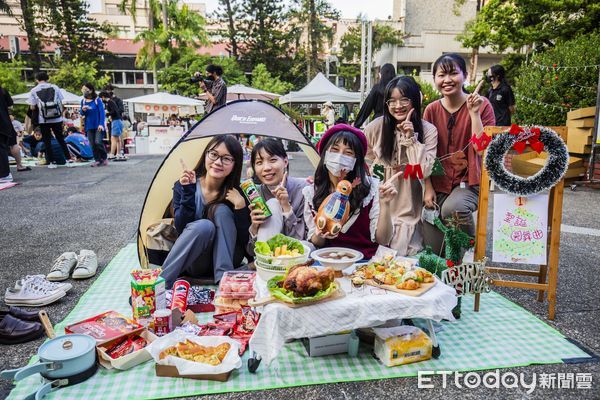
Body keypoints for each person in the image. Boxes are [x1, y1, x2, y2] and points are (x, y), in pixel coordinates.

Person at [422, 53, 496, 255]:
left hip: (468, 182)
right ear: (435, 80)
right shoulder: (431, 110)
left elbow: (481, 149)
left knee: (453, 209)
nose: (447, 80)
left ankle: (472, 253)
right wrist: (427, 187)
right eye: (441, 75)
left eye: (453, 73)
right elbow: (425, 154)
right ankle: (451, 266)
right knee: (434, 251)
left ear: (465, 76)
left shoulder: (483, 106)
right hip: (437, 184)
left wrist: (474, 114)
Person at [160, 135, 251, 288]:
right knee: (204, 226)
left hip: (228, 261)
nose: (218, 162)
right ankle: (160, 284)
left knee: (221, 210)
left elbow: (245, 242)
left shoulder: (237, 193)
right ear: (206, 155)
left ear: (235, 164)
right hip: (195, 261)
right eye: (214, 154)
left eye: (226, 158)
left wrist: (240, 208)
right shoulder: (185, 184)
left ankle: (224, 281)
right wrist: (188, 191)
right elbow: (182, 228)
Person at [364, 76, 438, 256]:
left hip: (408, 194)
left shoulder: (428, 130)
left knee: (404, 248)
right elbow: (365, 158)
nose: (398, 106)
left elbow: (425, 169)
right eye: (392, 101)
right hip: (381, 191)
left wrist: (412, 139)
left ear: (415, 100)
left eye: (404, 99)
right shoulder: (376, 127)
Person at [302, 124, 397, 259]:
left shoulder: (373, 188)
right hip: (329, 262)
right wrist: (320, 232)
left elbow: (383, 239)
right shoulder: (312, 192)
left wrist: (386, 204)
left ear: (356, 160)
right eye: (334, 150)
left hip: (368, 264)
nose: (340, 157)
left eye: (348, 153)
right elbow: (317, 242)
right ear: (325, 155)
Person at [246, 139, 306, 255]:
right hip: (267, 259)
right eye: (259, 162)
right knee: (273, 203)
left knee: (274, 203)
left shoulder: (303, 189)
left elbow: (303, 240)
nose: (266, 168)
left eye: (273, 160)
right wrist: (254, 226)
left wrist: (286, 208)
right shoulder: (255, 195)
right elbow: (251, 252)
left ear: (285, 161)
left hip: (295, 256)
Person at [28, 71, 72, 169]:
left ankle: (52, 162)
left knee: (47, 141)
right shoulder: (55, 87)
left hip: (43, 119)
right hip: (57, 118)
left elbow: (32, 107)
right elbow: (61, 101)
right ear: (48, 78)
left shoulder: (34, 90)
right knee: (60, 138)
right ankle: (68, 159)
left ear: (37, 80)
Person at [354, 63, 396, 128]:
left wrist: (356, 125)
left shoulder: (377, 88)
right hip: (394, 122)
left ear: (381, 74)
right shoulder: (397, 89)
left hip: (377, 123)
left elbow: (367, 107)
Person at [80, 83, 108, 167]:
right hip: (89, 126)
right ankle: (97, 160)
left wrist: (101, 124)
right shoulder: (83, 101)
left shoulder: (97, 100)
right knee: (92, 144)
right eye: (83, 89)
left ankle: (104, 157)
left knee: (98, 142)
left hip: (98, 125)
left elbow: (102, 113)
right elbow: (82, 113)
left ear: (91, 90)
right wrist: (83, 110)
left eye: (86, 89)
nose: (84, 91)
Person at [99, 91, 125, 160]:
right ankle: (118, 154)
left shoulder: (109, 102)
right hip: (119, 120)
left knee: (113, 138)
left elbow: (114, 111)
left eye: (101, 98)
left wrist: (107, 114)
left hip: (115, 121)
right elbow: (116, 111)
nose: (101, 100)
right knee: (118, 139)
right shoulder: (112, 102)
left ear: (103, 97)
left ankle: (112, 154)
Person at [0, 85, 14, 182]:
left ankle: (5, 174)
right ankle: (5, 173)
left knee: (1, 149)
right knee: (2, 148)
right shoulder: (3, 90)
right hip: (4, 122)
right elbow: (10, 104)